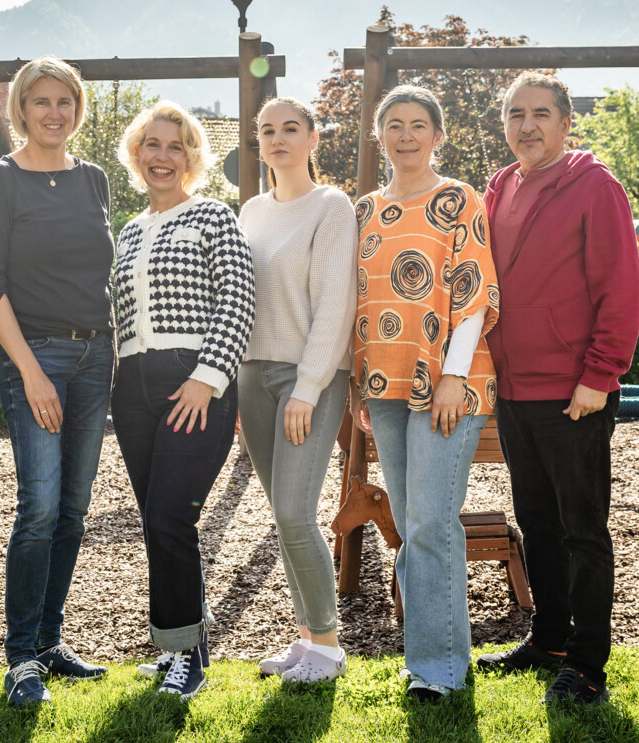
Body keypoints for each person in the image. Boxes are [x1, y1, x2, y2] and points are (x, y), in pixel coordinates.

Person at [475, 71, 639, 705]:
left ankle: (589, 666)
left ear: (566, 122)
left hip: (575, 392)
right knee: (536, 523)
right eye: (516, 115)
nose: (527, 125)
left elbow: (621, 291)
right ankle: (548, 639)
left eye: (541, 113)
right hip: (515, 391)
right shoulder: (501, 187)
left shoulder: (595, 187)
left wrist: (600, 377)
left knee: (582, 531)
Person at [0, 57, 115, 708]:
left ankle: (51, 641)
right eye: (42, 102)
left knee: (75, 509)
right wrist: (29, 371)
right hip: (35, 358)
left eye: (65, 102)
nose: (54, 112)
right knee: (40, 507)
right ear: (21, 109)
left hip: (95, 358)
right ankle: (21, 657)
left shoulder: (94, 179)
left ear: (77, 109)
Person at [350, 85, 499, 702]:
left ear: (438, 136)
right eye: (394, 124)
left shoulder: (459, 199)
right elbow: (359, 298)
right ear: (378, 135)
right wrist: (359, 384)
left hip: (446, 384)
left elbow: (474, 291)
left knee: (432, 522)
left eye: (418, 125)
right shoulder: (364, 209)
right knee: (414, 525)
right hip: (382, 383)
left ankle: (439, 669)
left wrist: (452, 377)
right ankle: (428, 659)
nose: (405, 135)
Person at [111, 101, 254, 700]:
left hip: (192, 381)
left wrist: (207, 377)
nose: (161, 156)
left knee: (173, 515)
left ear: (192, 158)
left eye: (174, 146)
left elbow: (240, 299)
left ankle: (188, 658)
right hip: (133, 386)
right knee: (157, 520)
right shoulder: (130, 229)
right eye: (151, 144)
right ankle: (176, 643)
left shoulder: (214, 217)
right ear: (136, 154)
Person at [237, 97, 357, 683]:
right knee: (282, 515)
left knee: (294, 511)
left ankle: (330, 648)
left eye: (290, 128)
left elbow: (336, 306)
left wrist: (309, 388)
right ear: (257, 142)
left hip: (308, 377)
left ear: (313, 139)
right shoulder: (251, 212)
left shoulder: (331, 207)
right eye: (267, 130)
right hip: (252, 377)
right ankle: (306, 638)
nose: (278, 138)